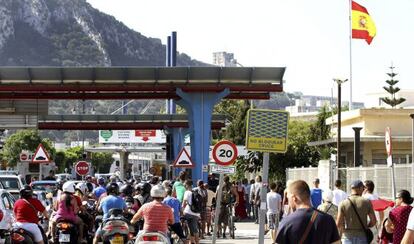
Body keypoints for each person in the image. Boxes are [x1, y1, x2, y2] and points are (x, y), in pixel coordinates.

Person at [276, 180, 340, 244]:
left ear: (294, 198)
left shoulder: (287, 222)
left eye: (288, 198)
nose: (288, 202)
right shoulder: (328, 219)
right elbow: (337, 243)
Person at [336, 180, 377, 244]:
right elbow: (374, 221)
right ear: (360, 188)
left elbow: (338, 223)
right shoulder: (367, 202)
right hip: (362, 236)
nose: (363, 190)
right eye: (363, 188)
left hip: (347, 236)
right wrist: (366, 226)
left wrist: (343, 230)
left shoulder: (343, 203)